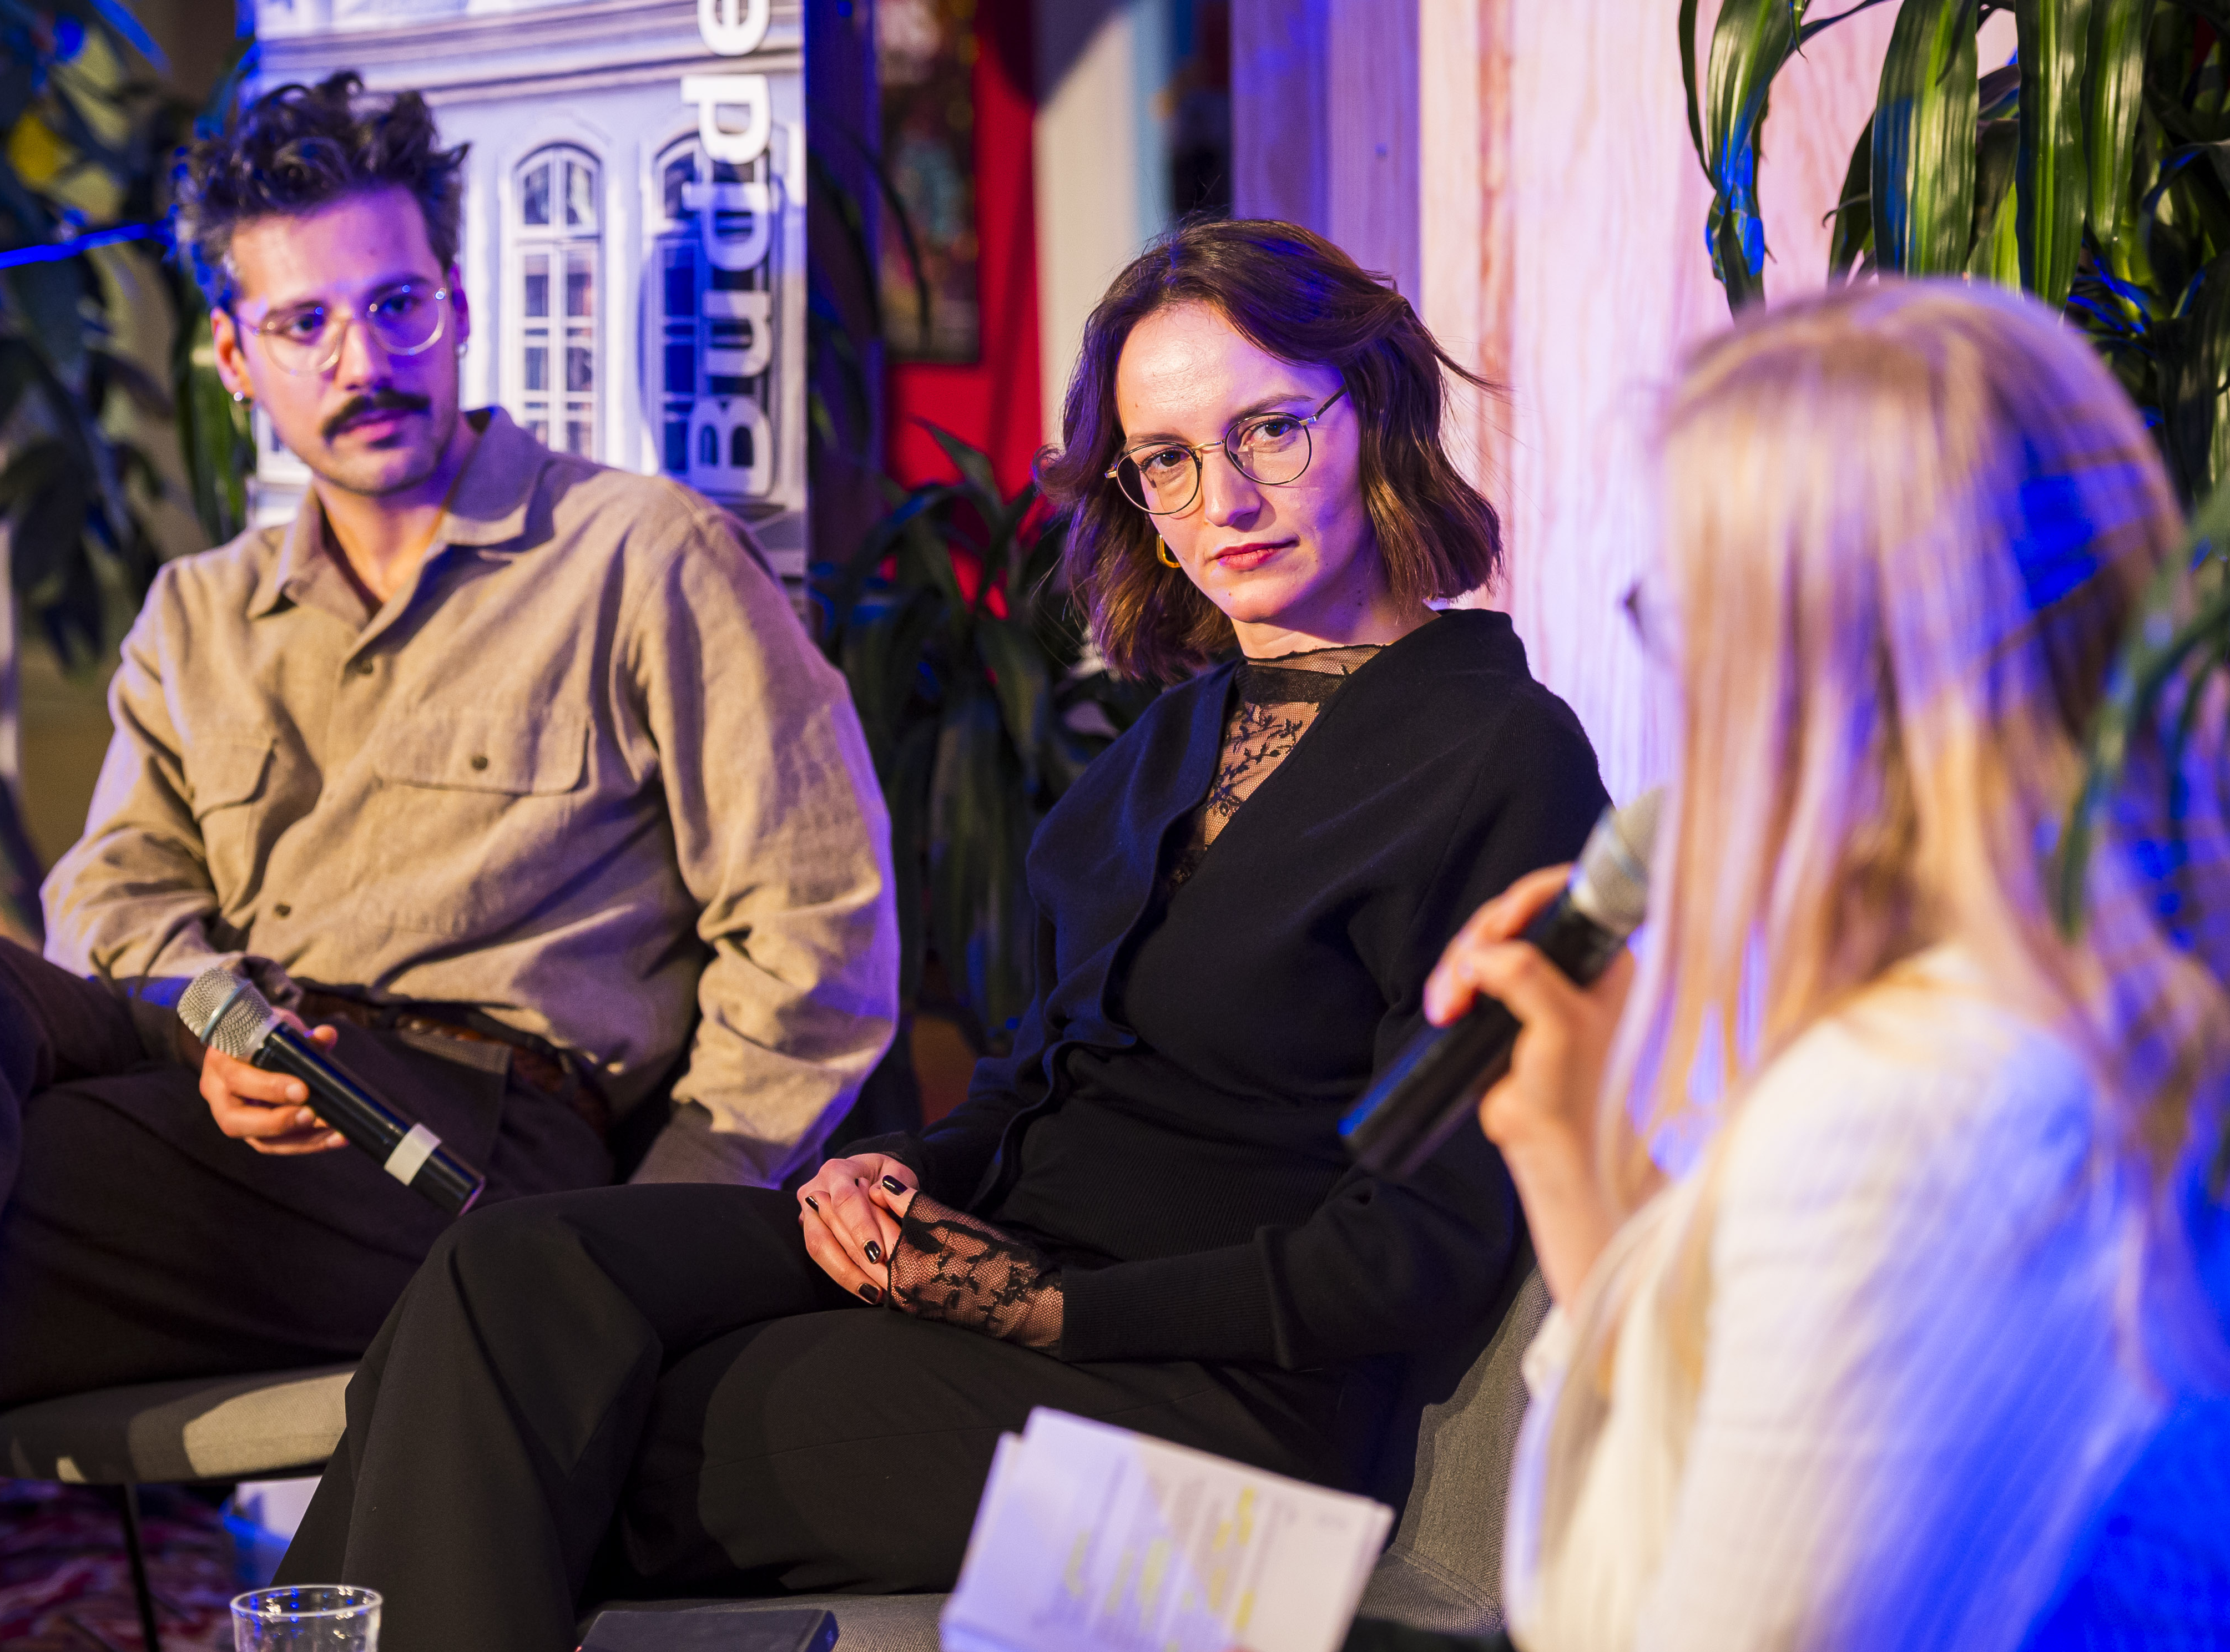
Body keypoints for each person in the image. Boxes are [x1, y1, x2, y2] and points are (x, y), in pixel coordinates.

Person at [273, 217, 1609, 1650]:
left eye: (1270, 431)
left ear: (1378, 409)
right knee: (508, 1278)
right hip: (1001, 1283)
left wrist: (1050, 1311)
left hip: (1224, 1418)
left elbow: (1424, 1243)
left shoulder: (1498, 757)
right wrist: (895, 1174)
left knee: (528, 1433)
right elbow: (1034, 1088)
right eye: (1165, 460)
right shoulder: (1164, 749)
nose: (1223, 498)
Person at [0, 74, 899, 1651]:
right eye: (306, 323)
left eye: (397, 305)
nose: (362, 360)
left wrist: (652, 1243)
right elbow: (110, 899)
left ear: (458, 303)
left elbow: (818, 936)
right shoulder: (198, 613)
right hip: (212, 1074)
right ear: (233, 354)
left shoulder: (640, 556)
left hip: (471, 1138)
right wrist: (212, 1024)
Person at [1422, 282, 2230, 1650]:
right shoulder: (2170, 971)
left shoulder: (1910, 1103)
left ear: (1800, 665)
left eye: (1676, 614)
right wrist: (1566, 1146)